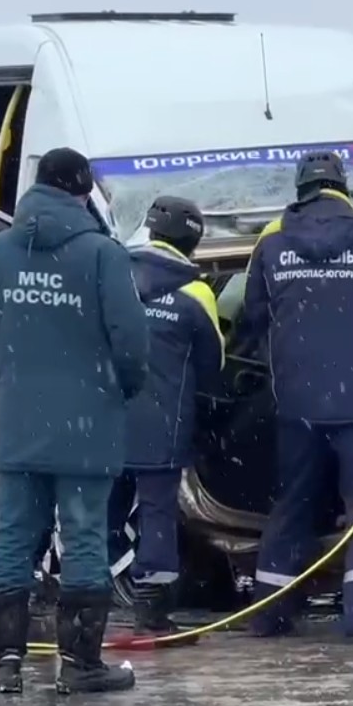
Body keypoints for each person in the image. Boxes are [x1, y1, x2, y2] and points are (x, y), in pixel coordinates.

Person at [0, 147, 150, 694]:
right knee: (86, 535)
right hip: (88, 426)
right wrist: (117, 387)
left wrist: (11, 375)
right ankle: (81, 665)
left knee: (14, 537)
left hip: (20, 424)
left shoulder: (0, 252)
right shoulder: (102, 256)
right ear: (84, 193)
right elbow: (132, 343)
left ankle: (5, 664)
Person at [237, 151, 353, 641]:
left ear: (301, 188)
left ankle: (270, 613)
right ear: (344, 186)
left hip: (295, 401)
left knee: (293, 504)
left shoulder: (271, 240)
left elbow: (251, 313)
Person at [121, 196, 223, 637]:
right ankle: (152, 608)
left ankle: (83, 598)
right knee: (157, 515)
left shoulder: (117, 275)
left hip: (105, 420)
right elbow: (213, 363)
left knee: (93, 514)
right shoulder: (195, 291)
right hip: (161, 425)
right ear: (193, 240)